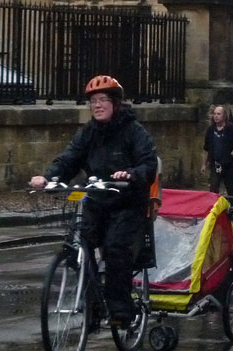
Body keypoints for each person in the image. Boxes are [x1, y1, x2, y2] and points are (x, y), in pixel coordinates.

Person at [30, 75, 158, 328]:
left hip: (127, 203)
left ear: (116, 104)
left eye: (103, 100)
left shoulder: (133, 131)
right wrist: (47, 178)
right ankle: (94, 310)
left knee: (114, 249)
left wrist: (131, 174)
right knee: (82, 248)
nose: (97, 105)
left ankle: (121, 311)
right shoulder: (88, 132)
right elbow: (69, 158)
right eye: (93, 101)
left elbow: (148, 163)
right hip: (96, 201)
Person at [200, 105, 233, 197]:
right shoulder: (211, 130)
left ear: (224, 116)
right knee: (213, 188)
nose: (216, 116)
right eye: (214, 114)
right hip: (215, 165)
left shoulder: (231, 129)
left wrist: (231, 155)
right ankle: (213, 208)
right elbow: (206, 149)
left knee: (231, 188)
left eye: (218, 114)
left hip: (228, 166)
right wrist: (204, 164)